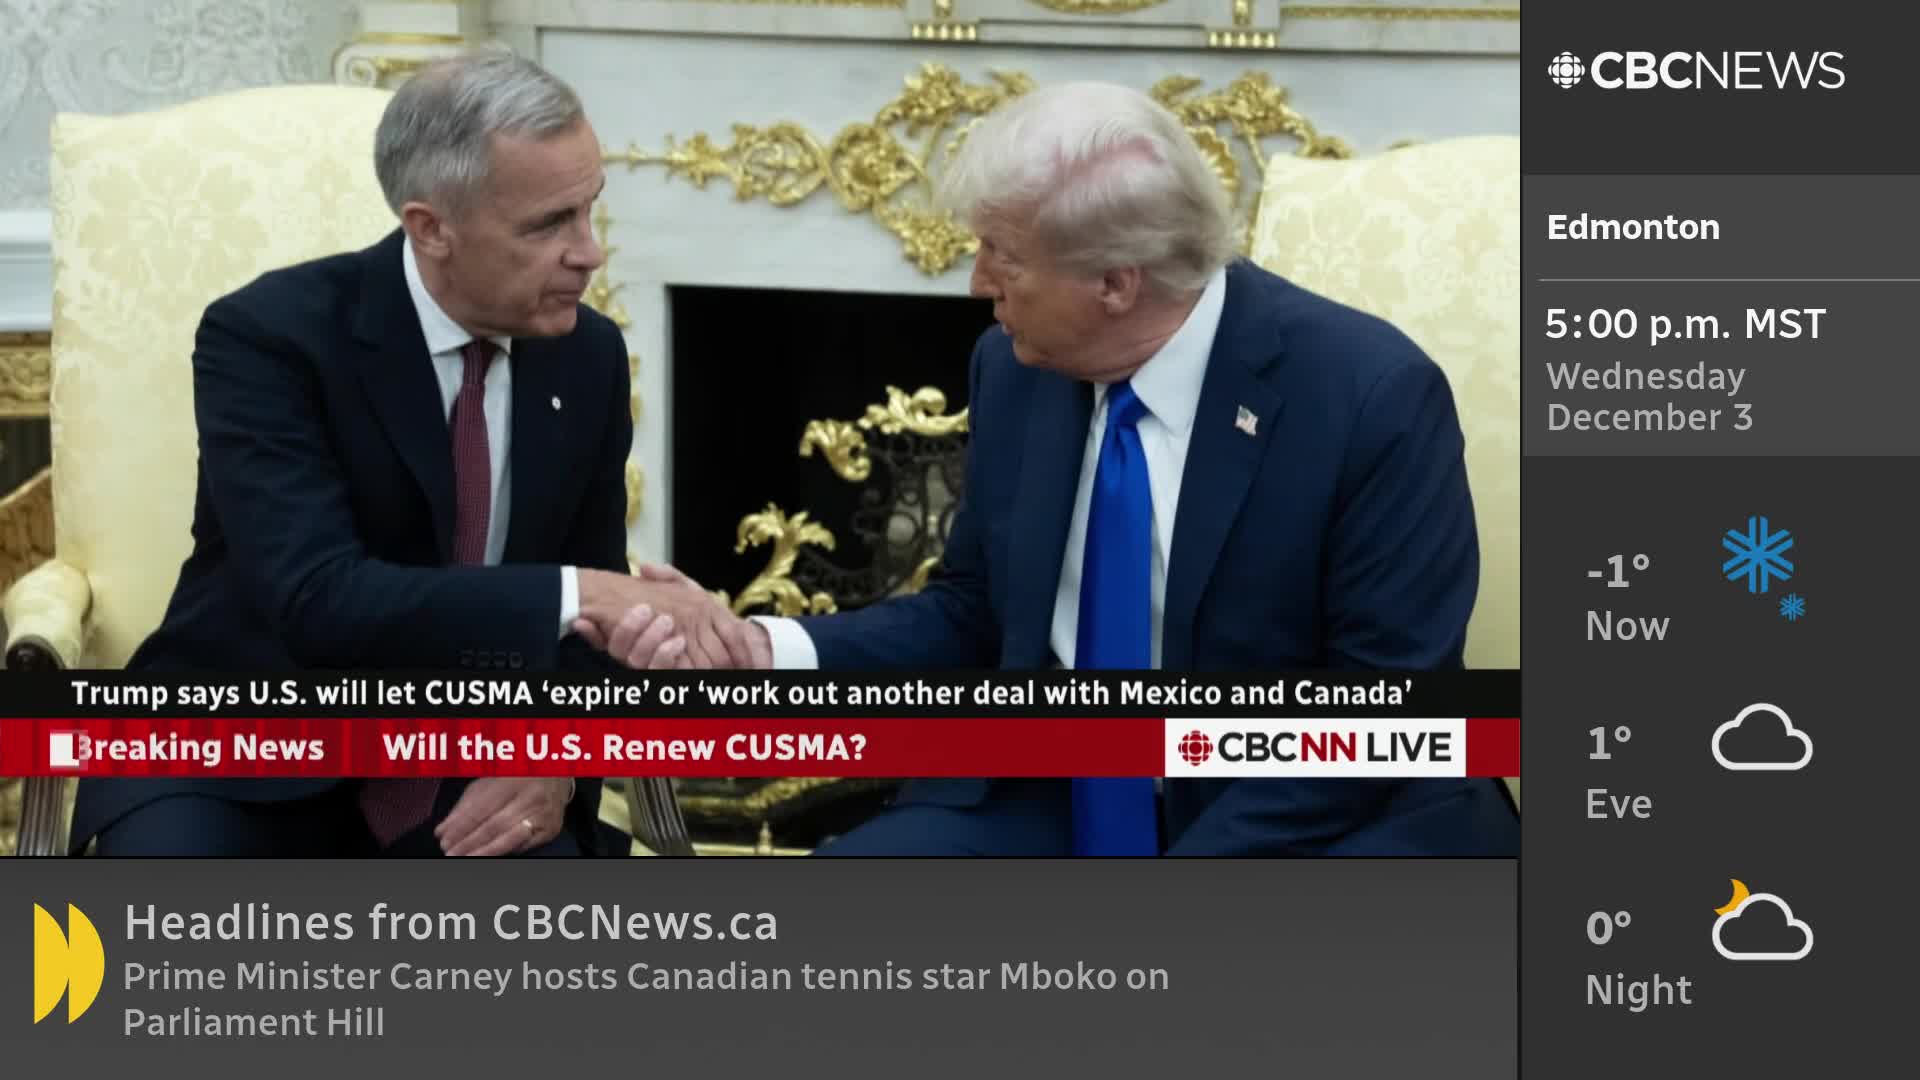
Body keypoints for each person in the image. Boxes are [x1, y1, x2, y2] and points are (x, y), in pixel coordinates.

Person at [586, 80, 1521, 856]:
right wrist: (769, 651)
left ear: (1116, 284)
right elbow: (975, 610)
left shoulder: (1369, 397)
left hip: (1306, 812)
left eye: (1004, 256)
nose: (977, 284)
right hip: (1056, 787)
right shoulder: (1018, 367)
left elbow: (1378, 715)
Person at [71, 53, 747, 857]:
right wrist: (581, 594)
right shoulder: (268, 338)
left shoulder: (587, 356)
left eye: (588, 211)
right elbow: (319, 597)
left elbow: (578, 642)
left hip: (474, 764)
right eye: (547, 225)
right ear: (430, 227)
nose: (589, 253)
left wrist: (557, 753)